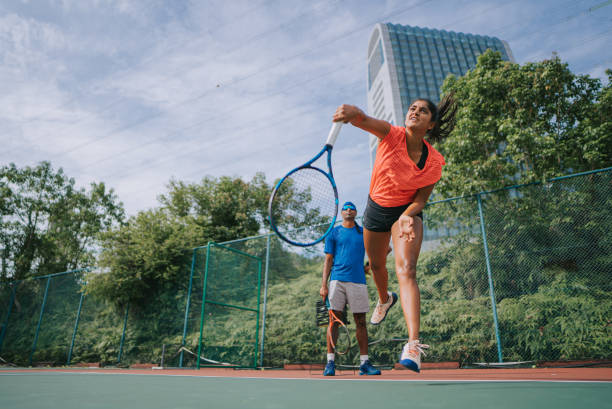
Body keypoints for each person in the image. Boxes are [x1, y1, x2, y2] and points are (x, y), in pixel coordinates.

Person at [332, 93, 457, 372]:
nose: (415, 112)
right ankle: (385, 299)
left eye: (423, 111)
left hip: (407, 212)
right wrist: (353, 113)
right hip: (377, 208)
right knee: (377, 265)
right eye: (412, 108)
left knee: (407, 270)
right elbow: (364, 120)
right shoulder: (391, 134)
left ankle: (413, 346)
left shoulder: (435, 161)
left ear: (431, 125)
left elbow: (421, 199)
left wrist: (406, 217)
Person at [319, 201, 380, 376]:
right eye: (345, 208)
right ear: (341, 214)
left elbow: (383, 249)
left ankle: (364, 364)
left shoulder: (364, 233)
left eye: (351, 208)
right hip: (336, 281)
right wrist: (323, 285)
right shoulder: (334, 232)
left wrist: (368, 267)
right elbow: (328, 260)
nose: (348, 210)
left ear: (356, 212)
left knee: (361, 322)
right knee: (333, 322)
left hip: (358, 282)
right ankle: (330, 363)